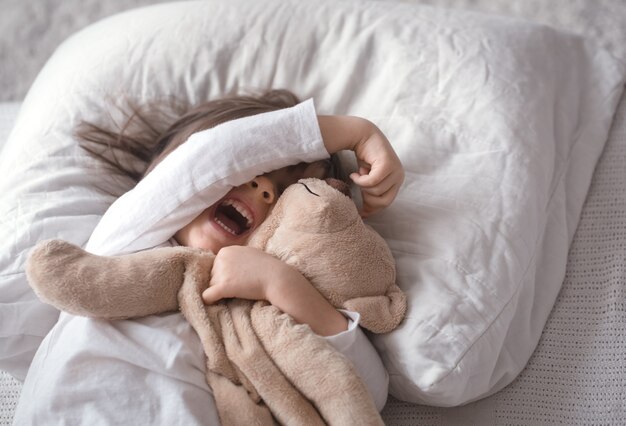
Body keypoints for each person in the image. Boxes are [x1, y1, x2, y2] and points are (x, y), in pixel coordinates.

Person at [14, 89, 403, 424]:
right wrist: (356, 132)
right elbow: (215, 155)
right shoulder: (131, 236)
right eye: (255, 167)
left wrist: (282, 284)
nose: (263, 186)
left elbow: (363, 390)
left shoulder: (269, 304)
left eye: (284, 190)